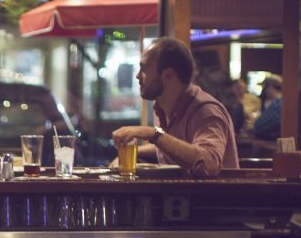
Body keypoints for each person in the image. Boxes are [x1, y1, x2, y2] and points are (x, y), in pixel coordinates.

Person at [112, 38, 238, 177]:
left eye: (144, 69)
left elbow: (209, 164)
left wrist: (153, 134)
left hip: (213, 192)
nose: (137, 76)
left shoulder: (206, 110)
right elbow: (174, 147)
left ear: (168, 75)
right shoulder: (161, 107)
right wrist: (135, 153)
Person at [251, 75, 282, 141]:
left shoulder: (277, 103)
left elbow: (258, 127)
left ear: (271, 87)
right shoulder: (275, 102)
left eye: (265, 87)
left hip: (271, 141)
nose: (264, 90)